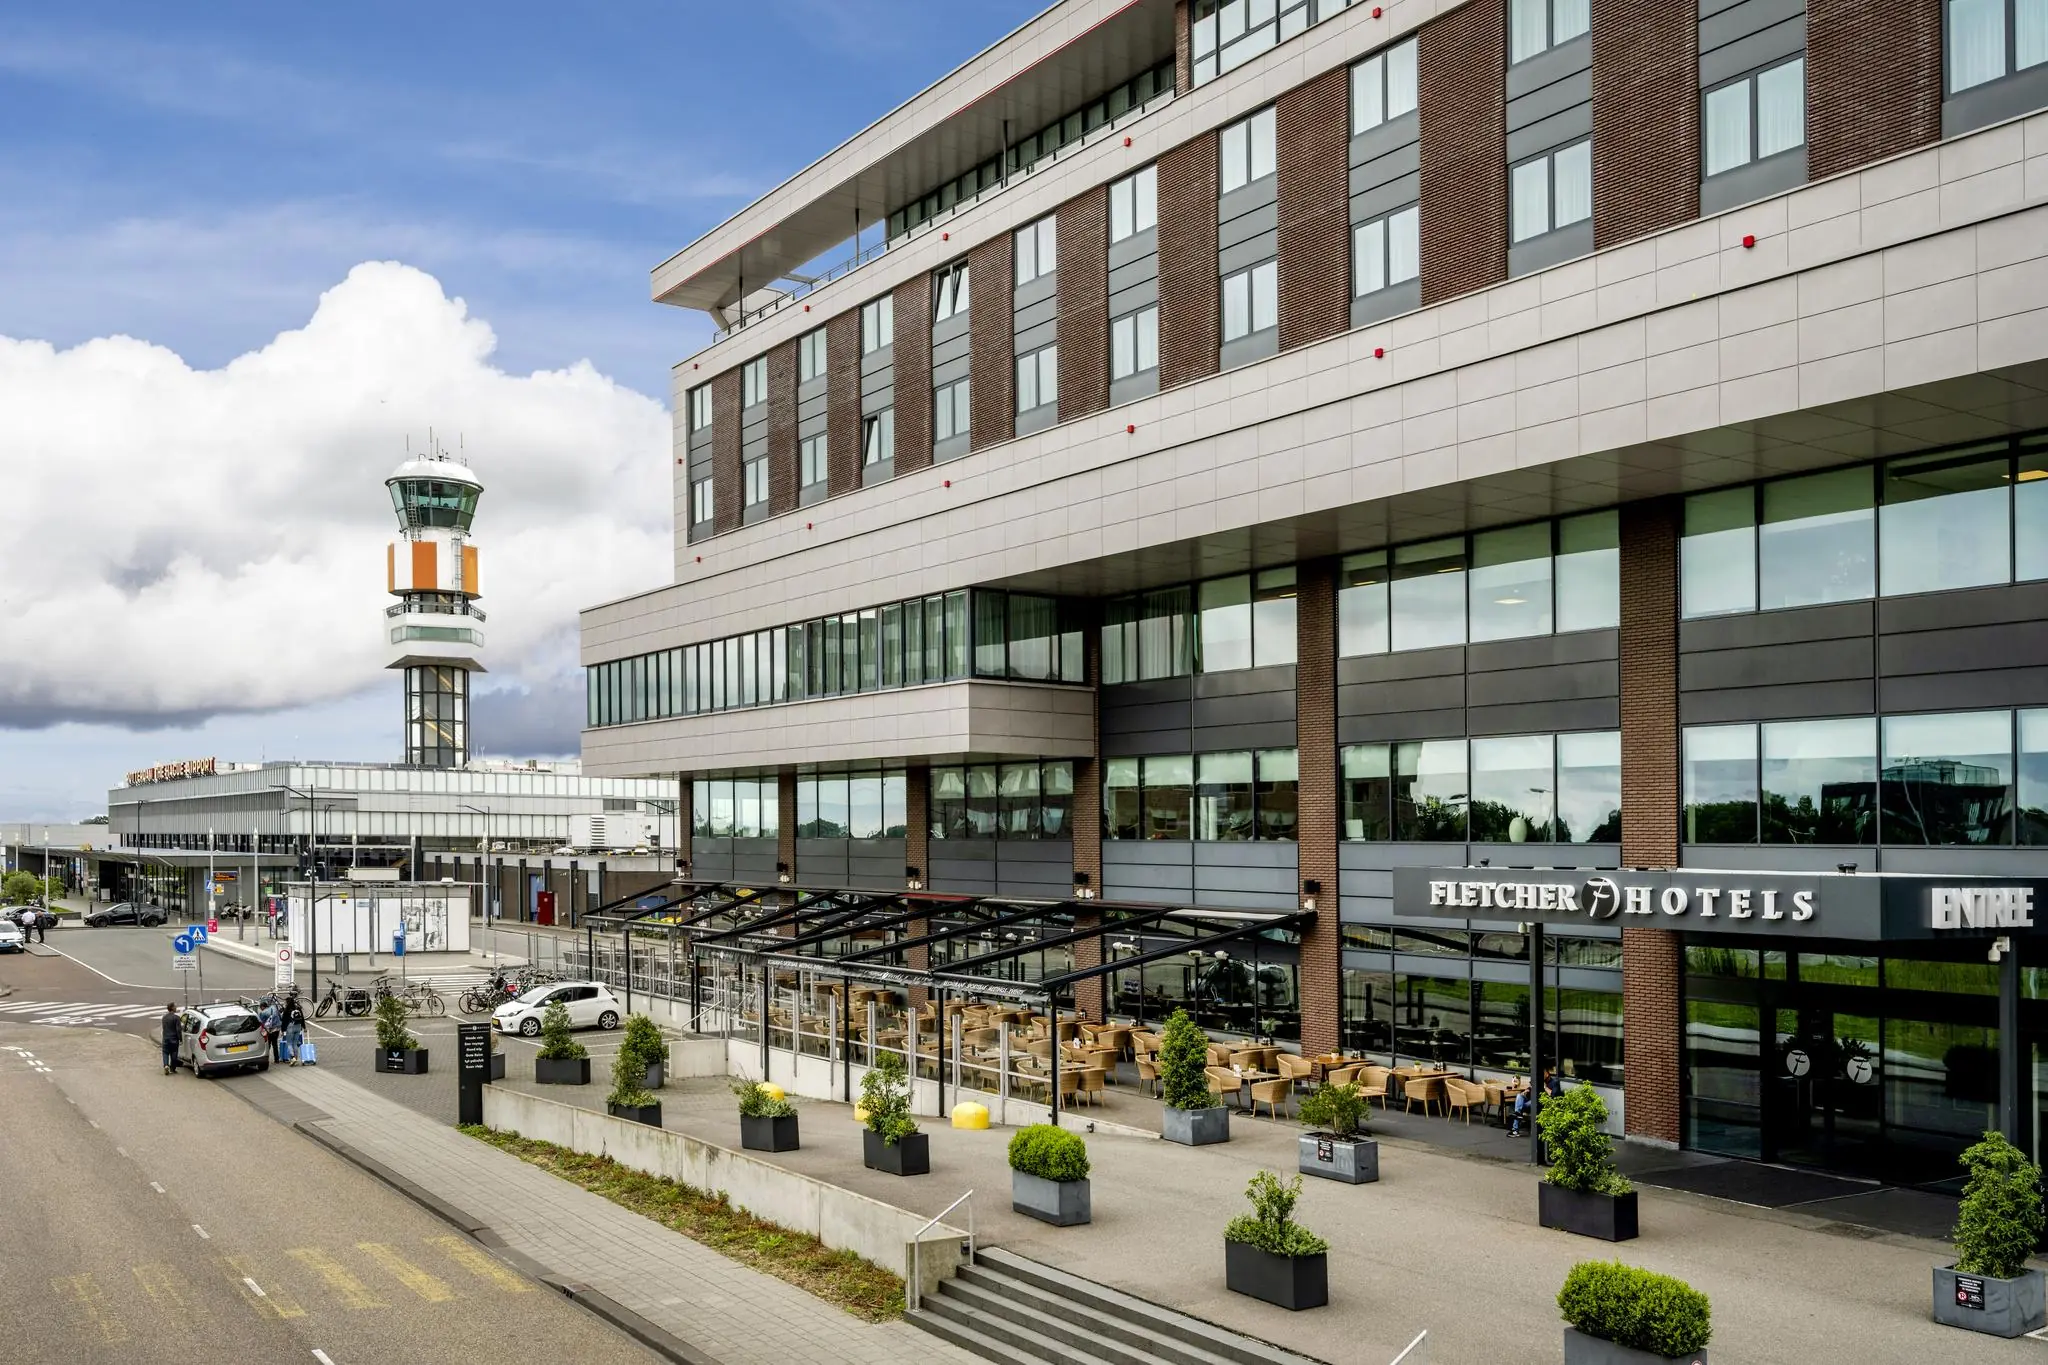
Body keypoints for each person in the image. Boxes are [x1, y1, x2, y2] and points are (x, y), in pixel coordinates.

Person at [159, 1004, 181, 1075]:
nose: (176, 1007)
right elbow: (178, 1029)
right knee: (174, 1053)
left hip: (165, 1038)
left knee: (165, 1052)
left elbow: (164, 1028)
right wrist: (180, 1038)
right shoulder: (176, 1018)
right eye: (175, 1006)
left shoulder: (164, 1017)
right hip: (174, 1039)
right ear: (172, 1008)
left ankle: (166, 1065)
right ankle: (172, 1069)